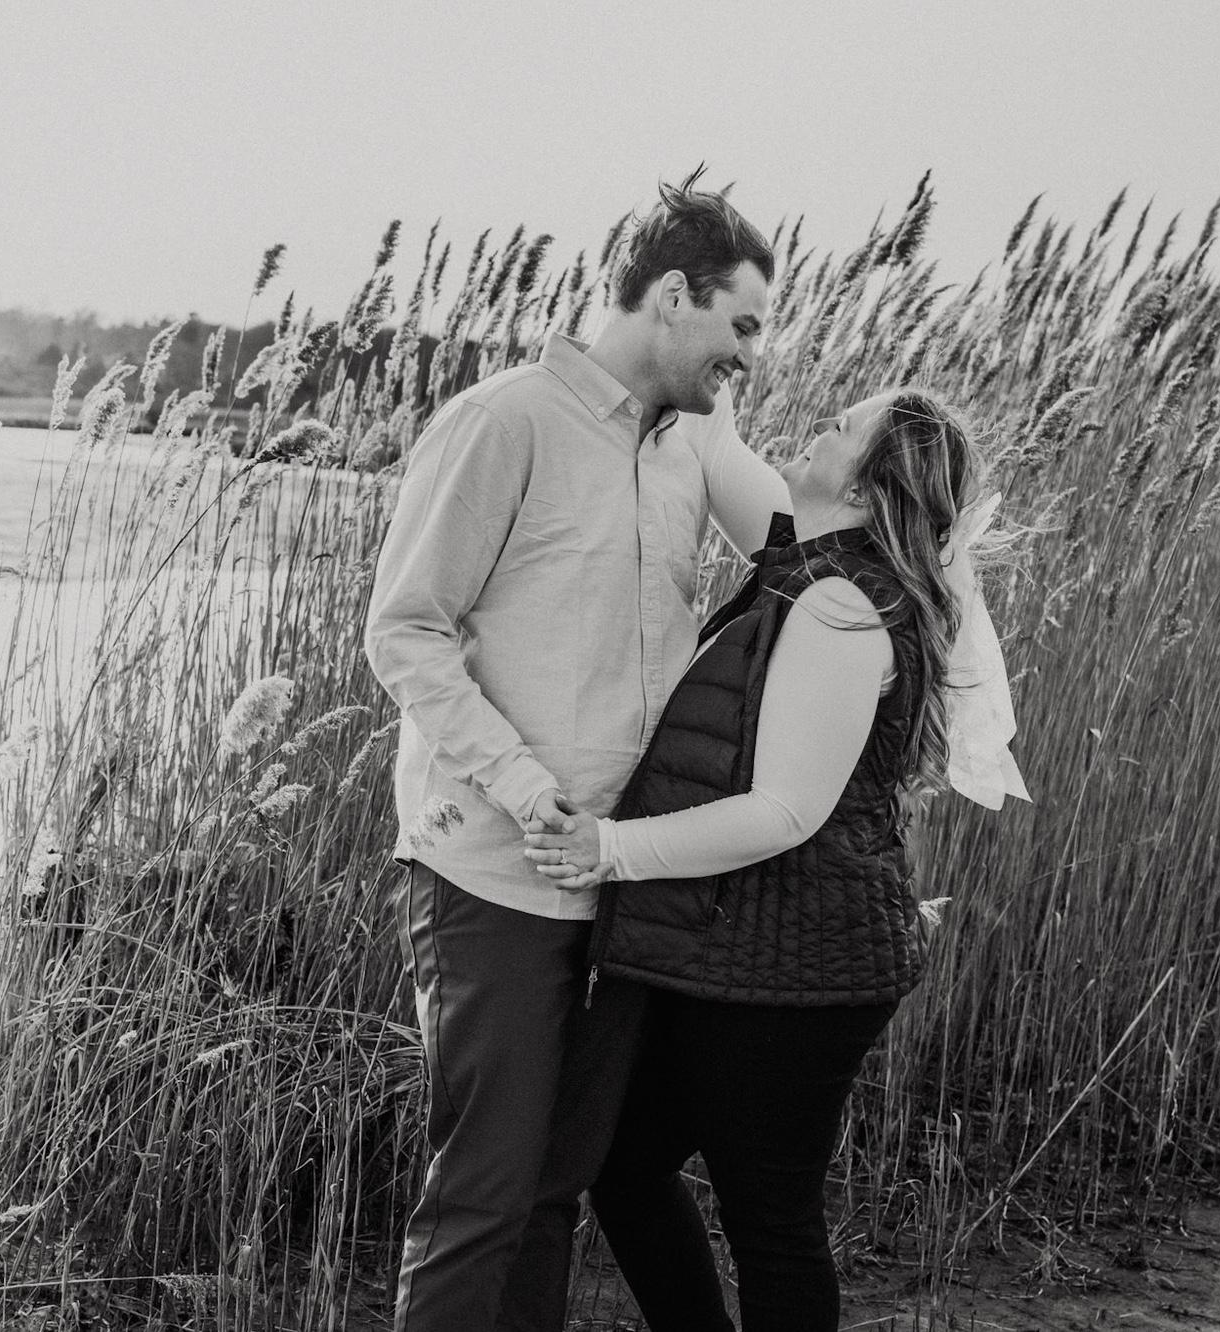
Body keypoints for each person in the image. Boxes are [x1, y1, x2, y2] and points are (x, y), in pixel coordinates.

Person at [363, 169, 790, 1332]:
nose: (751, 355)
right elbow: (404, 630)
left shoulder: (687, 453)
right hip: (489, 874)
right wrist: (520, 783)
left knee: (554, 1192)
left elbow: (801, 565)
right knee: (482, 1197)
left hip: (619, 884)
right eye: (744, 323)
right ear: (672, 294)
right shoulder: (503, 421)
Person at [524, 388, 1029, 1331]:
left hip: (805, 968)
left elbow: (785, 811)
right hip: (749, 951)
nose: (821, 425)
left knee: (771, 1222)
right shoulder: (820, 557)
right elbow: (721, 458)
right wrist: (690, 369)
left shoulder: (842, 604)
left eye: (843, 429)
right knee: (627, 1163)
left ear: (867, 491)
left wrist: (610, 849)